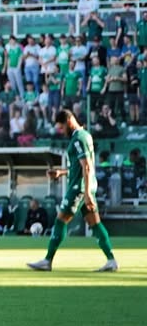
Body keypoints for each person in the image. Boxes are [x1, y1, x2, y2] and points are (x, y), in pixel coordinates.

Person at [28, 109, 118, 272]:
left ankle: (47, 260)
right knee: (95, 224)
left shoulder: (78, 138)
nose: (61, 132)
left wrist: (87, 193)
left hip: (79, 188)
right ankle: (111, 260)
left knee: (60, 220)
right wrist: (61, 173)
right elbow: (79, 167)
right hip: (86, 186)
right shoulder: (85, 135)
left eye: (61, 127)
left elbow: (87, 166)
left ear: (69, 121)